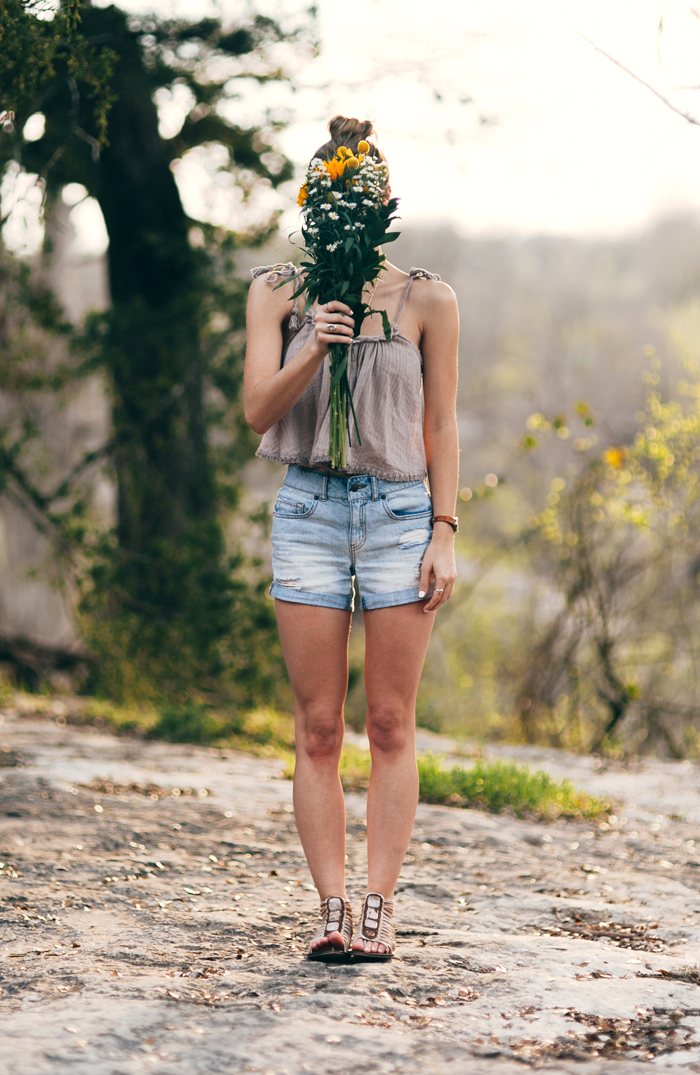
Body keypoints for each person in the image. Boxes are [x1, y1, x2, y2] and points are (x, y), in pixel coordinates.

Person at [244, 115, 459, 961]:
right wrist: (313, 346)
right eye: (329, 196)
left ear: (384, 204)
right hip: (308, 514)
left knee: (392, 721)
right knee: (319, 726)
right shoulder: (278, 291)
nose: (343, 210)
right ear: (312, 205)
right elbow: (258, 412)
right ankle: (329, 908)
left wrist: (445, 529)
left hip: (402, 515)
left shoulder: (427, 298)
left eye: (357, 196)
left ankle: (379, 906)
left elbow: (441, 424)